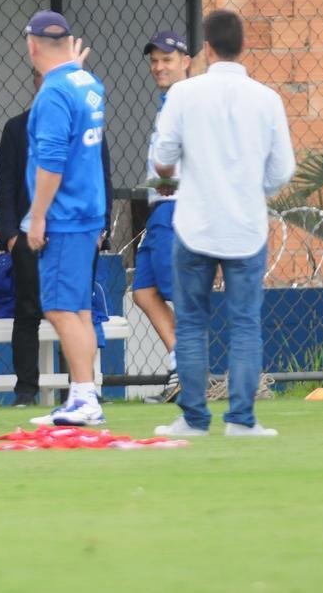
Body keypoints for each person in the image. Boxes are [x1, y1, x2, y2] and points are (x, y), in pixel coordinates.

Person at [152, 9, 295, 439]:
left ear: (207, 49)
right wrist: (255, 189)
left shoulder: (184, 95)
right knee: (245, 324)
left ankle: (194, 419)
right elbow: (282, 170)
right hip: (246, 226)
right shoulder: (267, 98)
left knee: (193, 322)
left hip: (195, 223)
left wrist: (172, 176)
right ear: (242, 47)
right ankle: (241, 420)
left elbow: (163, 160)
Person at [0, 70, 114, 408]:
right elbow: (5, 186)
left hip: (77, 232)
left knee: (78, 310)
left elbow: (101, 177)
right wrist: (11, 237)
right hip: (29, 235)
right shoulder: (16, 128)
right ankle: (26, 390)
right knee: (29, 310)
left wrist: (101, 231)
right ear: (36, 82)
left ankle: (79, 388)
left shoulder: (88, 127)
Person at [17, 10, 108, 427]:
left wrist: (37, 219)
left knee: (58, 308)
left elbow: (51, 162)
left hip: (64, 215)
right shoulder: (87, 82)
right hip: (88, 211)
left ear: (32, 45)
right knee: (80, 311)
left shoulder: (53, 93)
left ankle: (85, 396)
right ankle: (82, 393)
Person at [131, 31, 191, 401]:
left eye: (167, 59)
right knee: (143, 292)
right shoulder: (168, 101)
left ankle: (190, 374)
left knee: (179, 294)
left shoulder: (187, 101)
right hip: (160, 207)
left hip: (177, 205)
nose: (158, 66)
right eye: (154, 60)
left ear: (186, 61)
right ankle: (180, 364)